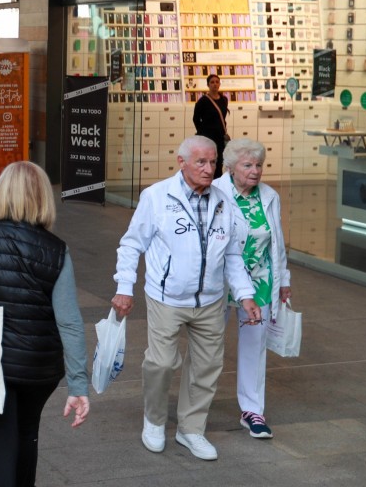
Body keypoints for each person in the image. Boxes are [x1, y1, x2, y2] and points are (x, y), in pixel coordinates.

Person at [0, 161, 91, 487]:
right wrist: (78, 386)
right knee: (26, 435)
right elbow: (70, 323)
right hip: (40, 369)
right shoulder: (57, 250)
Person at [112, 135, 261, 461]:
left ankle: (190, 430)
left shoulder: (224, 201)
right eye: (201, 162)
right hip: (167, 297)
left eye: (213, 163)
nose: (209, 169)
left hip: (210, 301)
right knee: (162, 362)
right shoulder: (156, 197)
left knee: (207, 367)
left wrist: (246, 295)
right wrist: (124, 287)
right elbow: (131, 244)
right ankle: (153, 420)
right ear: (181, 162)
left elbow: (232, 255)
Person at [212, 138, 291, 440]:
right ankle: (196, 404)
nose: (255, 171)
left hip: (260, 281)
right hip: (220, 282)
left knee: (254, 348)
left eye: (259, 165)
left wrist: (283, 280)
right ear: (231, 168)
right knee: (208, 346)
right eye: (247, 165)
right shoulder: (216, 193)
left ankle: (252, 411)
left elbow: (277, 241)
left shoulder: (269, 195)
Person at [193, 74, 229, 178]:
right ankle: (206, 182)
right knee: (208, 161)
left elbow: (222, 117)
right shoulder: (203, 101)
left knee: (219, 162)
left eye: (217, 82)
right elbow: (195, 119)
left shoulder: (224, 99)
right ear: (208, 85)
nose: (215, 84)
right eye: (212, 82)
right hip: (208, 136)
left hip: (220, 136)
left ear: (219, 84)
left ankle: (217, 184)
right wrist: (202, 132)